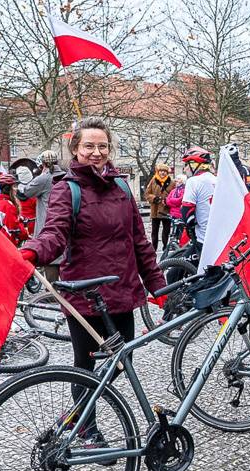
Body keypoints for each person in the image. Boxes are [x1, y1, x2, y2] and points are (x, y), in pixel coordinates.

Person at [20, 117, 165, 446]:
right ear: (75, 149)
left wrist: (158, 286)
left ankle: (75, 415)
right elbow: (53, 235)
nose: (96, 152)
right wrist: (32, 252)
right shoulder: (64, 190)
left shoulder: (123, 188)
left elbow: (139, 241)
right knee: (84, 366)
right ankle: (87, 428)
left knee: (118, 362)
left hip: (121, 290)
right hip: (84, 294)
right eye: (89, 146)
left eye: (102, 146)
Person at [179, 145, 216, 267]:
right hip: (218, 239)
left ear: (195, 165)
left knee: (174, 273)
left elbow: (187, 212)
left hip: (202, 240)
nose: (185, 169)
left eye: (186, 165)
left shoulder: (193, 182)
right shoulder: (217, 180)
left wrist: (189, 230)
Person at [17, 150, 66, 238]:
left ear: (43, 164)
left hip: (47, 223)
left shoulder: (43, 179)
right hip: (64, 221)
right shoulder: (66, 176)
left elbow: (26, 192)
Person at [144, 163, 173, 250]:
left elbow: (174, 194)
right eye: (161, 171)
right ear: (158, 172)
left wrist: (168, 200)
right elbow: (147, 194)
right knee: (154, 231)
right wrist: (154, 198)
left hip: (166, 210)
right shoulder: (153, 181)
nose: (162, 173)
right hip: (155, 210)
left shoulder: (172, 182)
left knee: (166, 231)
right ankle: (154, 248)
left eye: (164, 171)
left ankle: (165, 247)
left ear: (167, 172)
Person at [0, 173, 27, 245]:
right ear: (8, 188)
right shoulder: (8, 205)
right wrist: (25, 233)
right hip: (8, 241)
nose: (16, 189)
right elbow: (14, 228)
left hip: (2, 239)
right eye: (14, 186)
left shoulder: (0, 201)